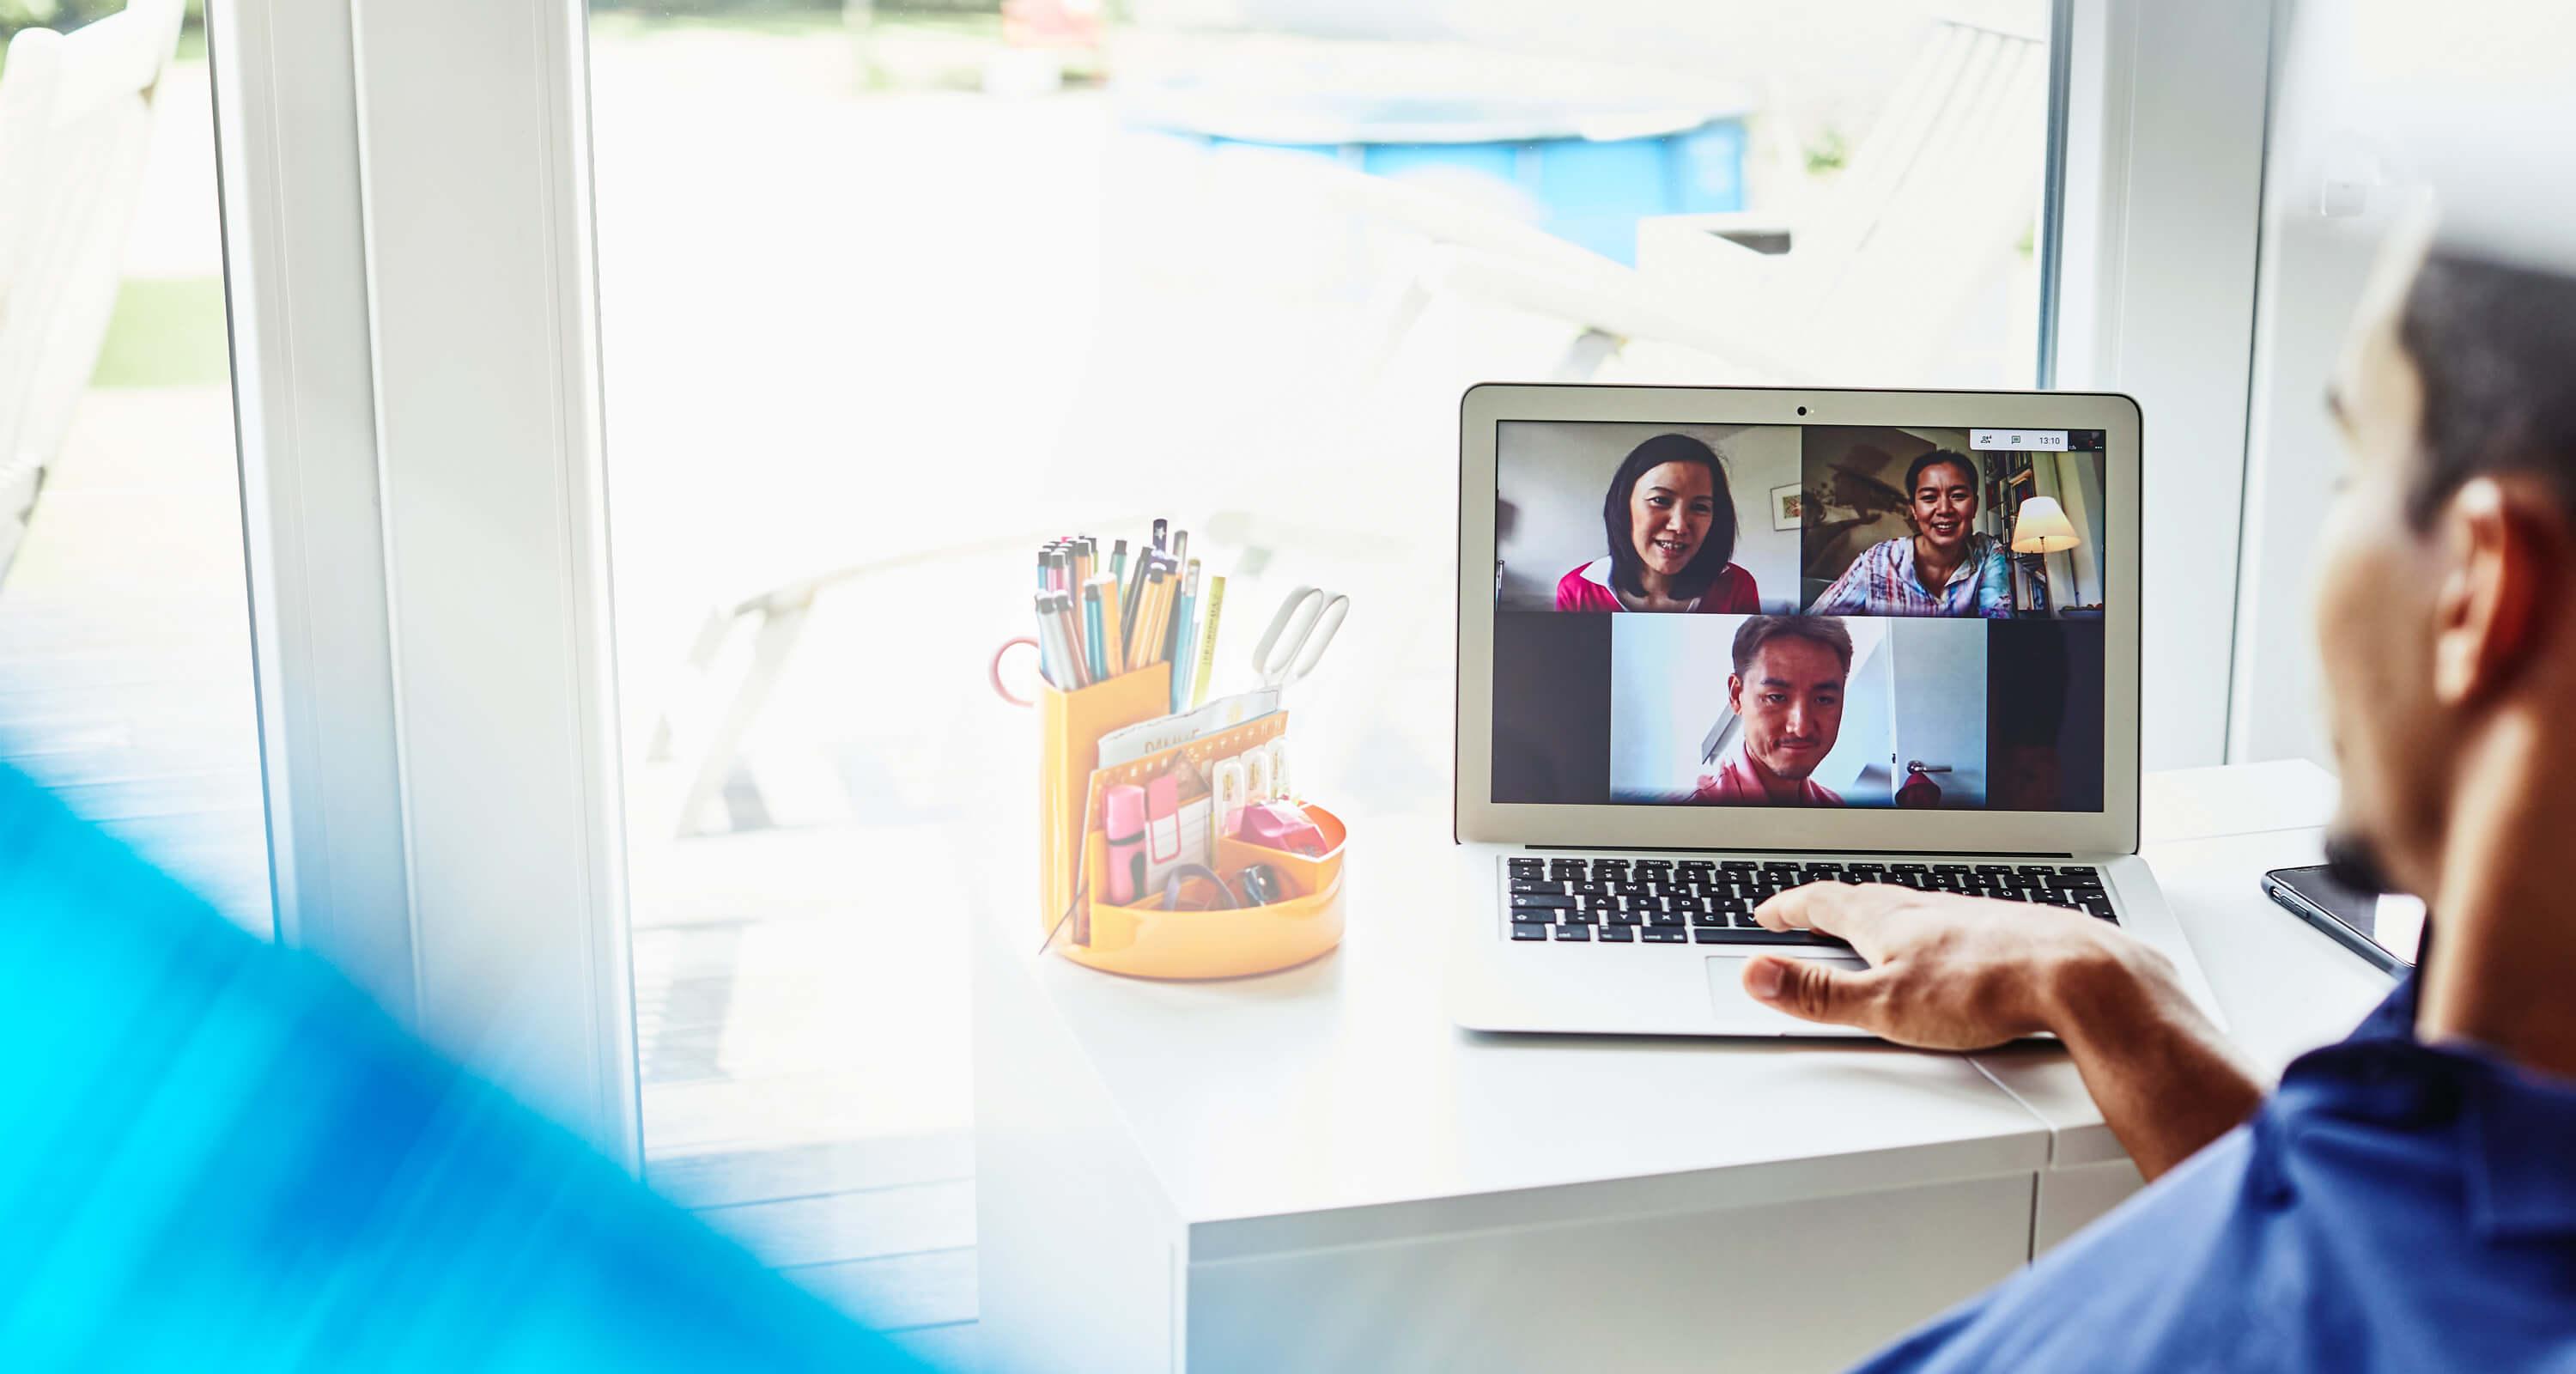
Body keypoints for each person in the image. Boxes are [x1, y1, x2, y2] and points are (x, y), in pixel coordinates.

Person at [1741, 218, 2576, 1369]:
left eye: (2352, 474)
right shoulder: (2491, 1036)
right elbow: (2355, 1233)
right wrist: (2101, 987)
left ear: (2479, 590)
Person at [1555, 433, 1762, 613]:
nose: (1679, 526)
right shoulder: (1578, 590)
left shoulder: (1737, 586)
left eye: (1700, 507)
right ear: (1624, 505)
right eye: (1660, 500)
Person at [1808, 449, 2011, 618]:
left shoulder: (1989, 552)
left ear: (1975, 505)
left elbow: (1997, 626)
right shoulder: (1876, 560)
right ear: (1914, 509)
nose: (1944, 509)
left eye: (1958, 496)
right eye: (1930, 498)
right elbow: (1815, 622)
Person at [1695, 616, 1850, 806]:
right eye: (1776, 697)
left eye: (1823, 699)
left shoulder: (1837, 811)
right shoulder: (1686, 818)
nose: (1801, 728)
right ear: (1736, 695)